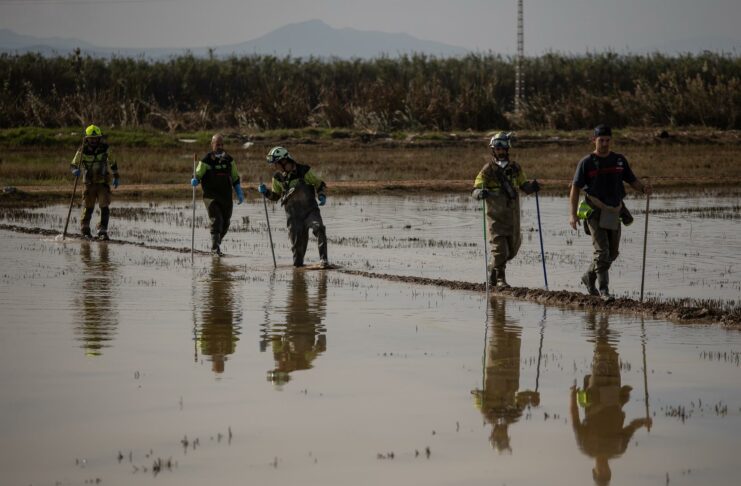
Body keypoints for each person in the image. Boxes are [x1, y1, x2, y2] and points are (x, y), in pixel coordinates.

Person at [569, 125, 651, 301]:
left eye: (607, 140)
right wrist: (572, 215)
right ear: (594, 140)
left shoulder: (619, 160)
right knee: (602, 252)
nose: (605, 144)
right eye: (601, 140)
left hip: (615, 211)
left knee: (612, 254)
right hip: (594, 211)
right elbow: (575, 189)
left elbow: (632, 180)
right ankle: (604, 290)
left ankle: (588, 276)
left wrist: (644, 189)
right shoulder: (586, 162)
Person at [570, 310, 652, 485]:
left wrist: (572, 396)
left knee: (601, 354)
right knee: (612, 354)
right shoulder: (618, 449)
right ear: (609, 471)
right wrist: (643, 422)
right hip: (614, 393)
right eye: (605, 473)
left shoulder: (587, 447)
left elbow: (575, 420)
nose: (603, 470)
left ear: (594, 471)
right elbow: (631, 428)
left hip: (595, 394)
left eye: (601, 473)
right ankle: (602, 321)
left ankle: (599, 320)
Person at [472, 132, 541, 288]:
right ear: (493, 150)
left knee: (512, 251)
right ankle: (500, 279)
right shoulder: (488, 169)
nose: (501, 151)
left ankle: (492, 268)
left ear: (507, 149)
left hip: (513, 217)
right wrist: (480, 193)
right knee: (499, 250)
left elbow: (524, 185)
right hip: (495, 217)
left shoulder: (515, 168)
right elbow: (475, 189)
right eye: (498, 149)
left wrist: (533, 187)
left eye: (503, 148)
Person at [258, 146, 329, 268]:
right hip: (293, 215)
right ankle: (298, 271)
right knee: (297, 250)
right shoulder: (277, 178)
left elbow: (319, 183)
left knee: (319, 228)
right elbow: (276, 196)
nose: (275, 167)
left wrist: (321, 194)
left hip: (310, 210)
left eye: (276, 164)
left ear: (284, 161)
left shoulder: (304, 170)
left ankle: (324, 261)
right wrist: (266, 192)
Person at [190, 134, 244, 256]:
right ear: (212, 144)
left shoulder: (229, 160)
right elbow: (198, 174)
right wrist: (195, 179)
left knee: (226, 222)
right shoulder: (206, 160)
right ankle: (215, 250)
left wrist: (239, 192)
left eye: (221, 144)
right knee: (217, 220)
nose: (219, 146)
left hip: (226, 197)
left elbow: (235, 178)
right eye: (217, 144)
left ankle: (217, 243)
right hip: (211, 197)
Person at [70, 124, 119, 240]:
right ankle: (85, 230)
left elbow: (112, 162)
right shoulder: (82, 150)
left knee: (104, 207)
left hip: (103, 183)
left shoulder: (105, 148)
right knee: (88, 206)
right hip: (89, 183)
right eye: (91, 138)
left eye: (96, 138)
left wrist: (116, 176)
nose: (93, 140)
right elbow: (73, 164)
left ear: (99, 138)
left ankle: (102, 230)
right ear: (87, 138)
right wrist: (75, 170)